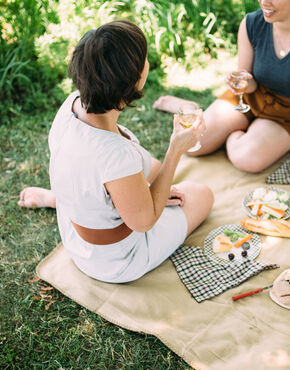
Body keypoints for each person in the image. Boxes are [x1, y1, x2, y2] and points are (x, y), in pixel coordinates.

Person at [17, 20, 214, 283]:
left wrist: (148, 190)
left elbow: (99, 166)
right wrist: (175, 150)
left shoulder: (72, 104)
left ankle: (58, 199)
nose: (147, 62)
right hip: (114, 260)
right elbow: (143, 223)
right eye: (144, 58)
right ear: (135, 79)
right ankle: (63, 200)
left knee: (152, 168)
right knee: (201, 194)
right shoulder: (116, 155)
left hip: (76, 234)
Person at [153, 0, 290, 184]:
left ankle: (236, 131)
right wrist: (241, 82)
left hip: (289, 114)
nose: (264, 1)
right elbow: (249, 82)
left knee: (246, 159)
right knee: (192, 145)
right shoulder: (251, 23)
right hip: (249, 98)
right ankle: (195, 109)